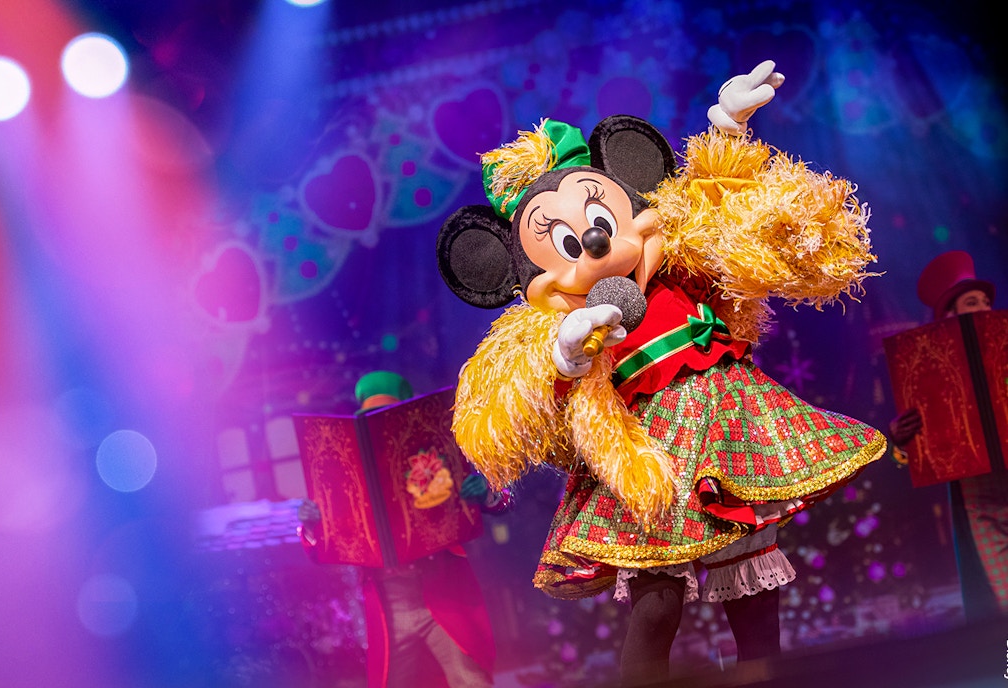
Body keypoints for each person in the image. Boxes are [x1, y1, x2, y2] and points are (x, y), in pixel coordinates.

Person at [434, 62, 884, 683]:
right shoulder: (564, 326)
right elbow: (540, 401)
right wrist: (568, 352)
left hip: (730, 432)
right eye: (566, 244)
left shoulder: (678, 266)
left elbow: (720, 209)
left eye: (599, 225)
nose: (593, 246)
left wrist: (727, 128)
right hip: (651, 453)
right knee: (656, 607)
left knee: (752, 591)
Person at [298, 370, 509, 688]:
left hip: (443, 592)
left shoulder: (437, 450)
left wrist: (486, 493)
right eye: (372, 416)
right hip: (390, 605)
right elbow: (322, 547)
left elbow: (501, 501)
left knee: (471, 679)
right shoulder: (352, 474)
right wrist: (313, 526)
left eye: (386, 414)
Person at [887, 250, 1007, 620]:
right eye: (973, 303)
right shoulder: (924, 367)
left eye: (987, 302)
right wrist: (901, 443)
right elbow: (915, 455)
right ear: (949, 316)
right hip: (979, 497)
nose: (985, 309)